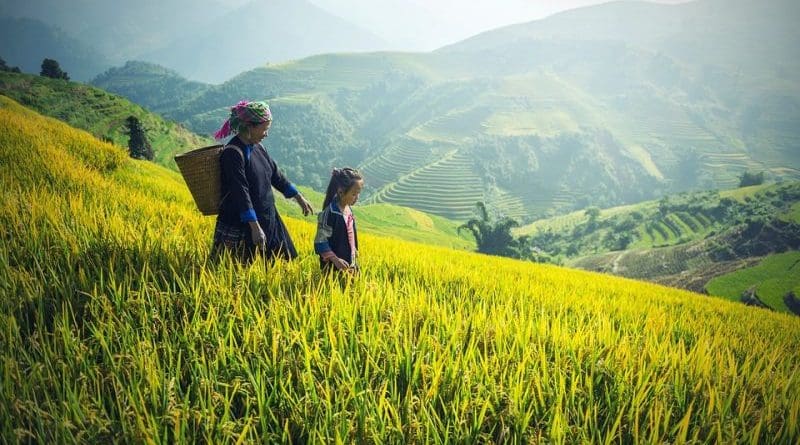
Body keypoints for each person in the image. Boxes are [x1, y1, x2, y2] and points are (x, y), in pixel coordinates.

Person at [210, 100, 313, 263]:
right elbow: (240, 192)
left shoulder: (259, 148)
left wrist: (299, 198)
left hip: (268, 217)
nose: (266, 134)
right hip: (243, 223)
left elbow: (276, 176)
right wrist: (255, 227)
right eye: (264, 129)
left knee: (281, 265)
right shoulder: (233, 153)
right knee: (237, 270)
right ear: (250, 126)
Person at [314, 168, 364, 273]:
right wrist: (336, 260)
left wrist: (354, 249)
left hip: (350, 263)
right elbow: (320, 241)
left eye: (358, 193)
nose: (357, 198)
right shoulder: (330, 213)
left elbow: (350, 234)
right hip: (334, 268)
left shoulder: (349, 210)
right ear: (341, 192)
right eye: (354, 194)